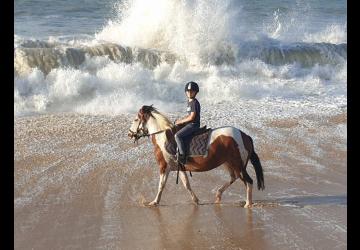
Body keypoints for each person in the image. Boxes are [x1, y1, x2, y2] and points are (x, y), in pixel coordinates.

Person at [174, 81, 201, 165]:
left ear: (195, 92)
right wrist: (180, 120)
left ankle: (182, 156)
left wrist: (181, 121)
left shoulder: (194, 102)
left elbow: (192, 117)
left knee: (177, 135)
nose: (189, 93)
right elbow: (188, 115)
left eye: (192, 91)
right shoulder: (189, 101)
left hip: (193, 125)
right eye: (188, 91)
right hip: (190, 123)